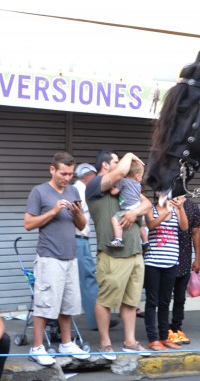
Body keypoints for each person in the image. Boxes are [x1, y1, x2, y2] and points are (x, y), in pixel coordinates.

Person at [24, 151, 90, 366]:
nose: (67, 178)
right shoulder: (39, 192)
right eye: (63, 173)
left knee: (68, 304)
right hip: (48, 257)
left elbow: (81, 226)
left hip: (70, 256)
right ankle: (37, 347)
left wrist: (77, 212)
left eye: (70, 174)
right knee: (44, 304)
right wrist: (53, 211)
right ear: (52, 169)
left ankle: (66, 343)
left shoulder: (72, 191)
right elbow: (28, 224)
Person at [86, 150, 151, 357]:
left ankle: (129, 341)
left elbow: (147, 204)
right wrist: (131, 154)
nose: (122, 164)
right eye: (116, 160)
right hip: (112, 255)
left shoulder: (125, 184)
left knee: (131, 301)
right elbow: (123, 169)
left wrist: (134, 212)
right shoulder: (95, 185)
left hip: (134, 252)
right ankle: (105, 343)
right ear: (106, 165)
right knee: (105, 300)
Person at [142, 194, 188, 350]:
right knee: (152, 301)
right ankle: (153, 338)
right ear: (156, 194)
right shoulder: (151, 209)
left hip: (171, 262)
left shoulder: (175, 210)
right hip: (153, 263)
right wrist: (166, 211)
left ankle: (164, 337)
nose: (166, 196)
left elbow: (184, 227)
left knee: (165, 302)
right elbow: (151, 225)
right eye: (162, 192)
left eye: (168, 192)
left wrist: (180, 208)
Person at [168, 196, 200, 345]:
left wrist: (197, 258)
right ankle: (164, 330)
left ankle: (176, 328)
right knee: (163, 298)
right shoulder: (164, 203)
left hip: (184, 258)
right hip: (165, 259)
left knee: (180, 298)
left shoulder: (192, 206)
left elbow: (195, 233)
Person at [72, 163, 100, 332]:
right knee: (88, 278)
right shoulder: (80, 190)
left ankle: (96, 318)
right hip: (78, 240)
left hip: (79, 240)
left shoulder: (80, 189)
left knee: (85, 279)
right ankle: (96, 319)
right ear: (88, 176)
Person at [108, 158, 149, 250]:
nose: (141, 178)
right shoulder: (138, 185)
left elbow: (114, 192)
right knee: (140, 226)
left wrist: (110, 187)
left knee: (115, 219)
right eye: (141, 176)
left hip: (128, 209)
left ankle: (118, 239)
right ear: (138, 176)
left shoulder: (123, 181)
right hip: (138, 210)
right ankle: (146, 242)